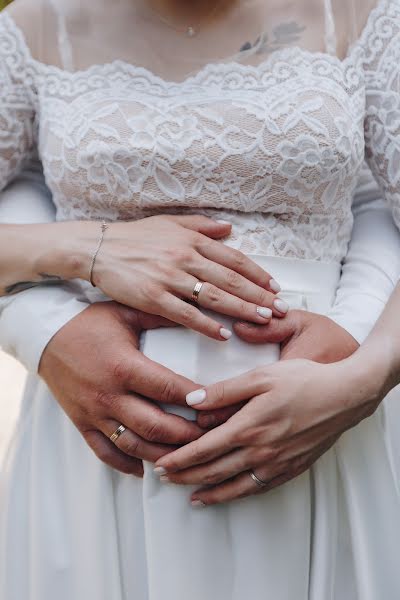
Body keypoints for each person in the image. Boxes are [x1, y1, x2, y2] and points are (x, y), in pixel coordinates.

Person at [0, 0, 400, 598]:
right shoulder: (33, 28)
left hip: (323, 429)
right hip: (99, 452)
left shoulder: (366, 15)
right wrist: (77, 265)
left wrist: (363, 376)